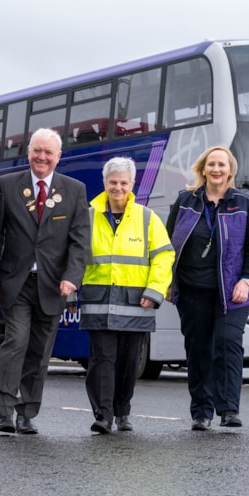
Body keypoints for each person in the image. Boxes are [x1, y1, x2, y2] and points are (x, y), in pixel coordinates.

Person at [0, 128, 90, 435]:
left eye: (48, 152)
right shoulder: (6, 185)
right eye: (37, 150)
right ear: (28, 152)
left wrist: (73, 277)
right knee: (16, 341)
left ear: (58, 157)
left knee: (40, 349)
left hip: (53, 284)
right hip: (15, 282)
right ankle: (4, 411)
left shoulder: (74, 190)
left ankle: (27, 412)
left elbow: (80, 241)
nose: (42, 157)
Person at [166, 145, 249, 430]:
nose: (216, 169)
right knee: (198, 351)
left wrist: (246, 279)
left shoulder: (243, 203)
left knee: (228, 344)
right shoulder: (185, 201)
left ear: (230, 170)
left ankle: (229, 409)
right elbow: (168, 243)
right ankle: (201, 413)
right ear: (203, 169)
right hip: (193, 290)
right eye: (211, 164)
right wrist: (169, 282)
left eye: (222, 164)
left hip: (232, 291)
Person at [81, 157, 174, 434]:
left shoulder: (148, 218)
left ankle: (123, 412)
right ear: (104, 183)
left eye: (123, 182)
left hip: (137, 304)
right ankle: (103, 415)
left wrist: (155, 291)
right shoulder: (88, 216)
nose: (118, 187)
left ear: (132, 184)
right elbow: (76, 255)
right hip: (98, 302)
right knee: (102, 361)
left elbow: (164, 256)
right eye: (113, 182)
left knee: (128, 363)